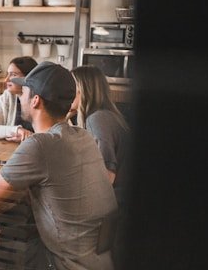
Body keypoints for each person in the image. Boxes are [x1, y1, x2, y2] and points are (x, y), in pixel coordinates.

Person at [0, 62, 117, 270]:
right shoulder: (81, 136)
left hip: (63, 263)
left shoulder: (41, 144)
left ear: (35, 101)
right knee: (16, 225)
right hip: (97, 259)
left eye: (23, 91)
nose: (19, 96)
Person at [71, 65, 131, 268]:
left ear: (83, 90)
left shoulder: (98, 120)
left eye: (72, 89)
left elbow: (107, 176)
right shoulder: (107, 115)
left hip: (117, 209)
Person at [0, 56, 37, 142]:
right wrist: (16, 130)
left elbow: (51, 137)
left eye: (13, 75)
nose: (6, 80)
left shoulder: (41, 100)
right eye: (7, 74)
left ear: (28, 77)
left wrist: (29, 137)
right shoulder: (8, 97)